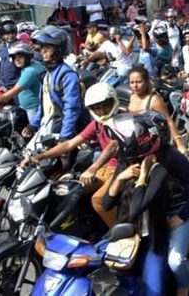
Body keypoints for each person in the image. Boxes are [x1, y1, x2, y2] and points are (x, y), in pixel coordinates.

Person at [22, 83, 121, 228]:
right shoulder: (96, 125)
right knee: (70, 192)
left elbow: (113, 145)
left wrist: (93, 168)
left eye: (105, 106)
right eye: (96, 108)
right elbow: (69, 144)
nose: (101, 111)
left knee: (99, 200)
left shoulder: (121, 120)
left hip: (123, 168)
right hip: (106, 168)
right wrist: (40, 157)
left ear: (113, 102)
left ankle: (123, 236)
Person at [102, 114, 169, 295]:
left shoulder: (158, 172)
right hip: (126, 238)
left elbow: (137, 208)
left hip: (151, 240)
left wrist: (142, 176)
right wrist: (119, 179)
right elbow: (106, 204)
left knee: (153, 291)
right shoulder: (124, 166)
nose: (115, 145)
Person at [25, 25, 85, 142]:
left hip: (59, 131)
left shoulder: (67, 75)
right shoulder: (48, 74)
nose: (43, 51)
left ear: (58, 49)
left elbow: (72, 108)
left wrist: (65, 136)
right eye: (42, 46)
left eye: (48, 47)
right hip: (46, 129)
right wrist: (33, 125)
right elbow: (43, 105)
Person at [127, 65, 188, 156]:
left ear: (146, 81)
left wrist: (180, 144)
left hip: (154, 144)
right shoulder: (132, 97)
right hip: (137, 143)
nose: (135, 86)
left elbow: (168, 121)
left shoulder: (154, 99)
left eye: (139, 82)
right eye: (132, 82)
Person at [0, 41, 46, 121]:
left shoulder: (29, 71)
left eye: (20, 57)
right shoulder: (36, 65)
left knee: (33, 131)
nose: (17, 60)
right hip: (29, 107)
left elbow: (16, 90)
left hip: (33, 109)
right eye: (15, 58)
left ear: (27, 57)